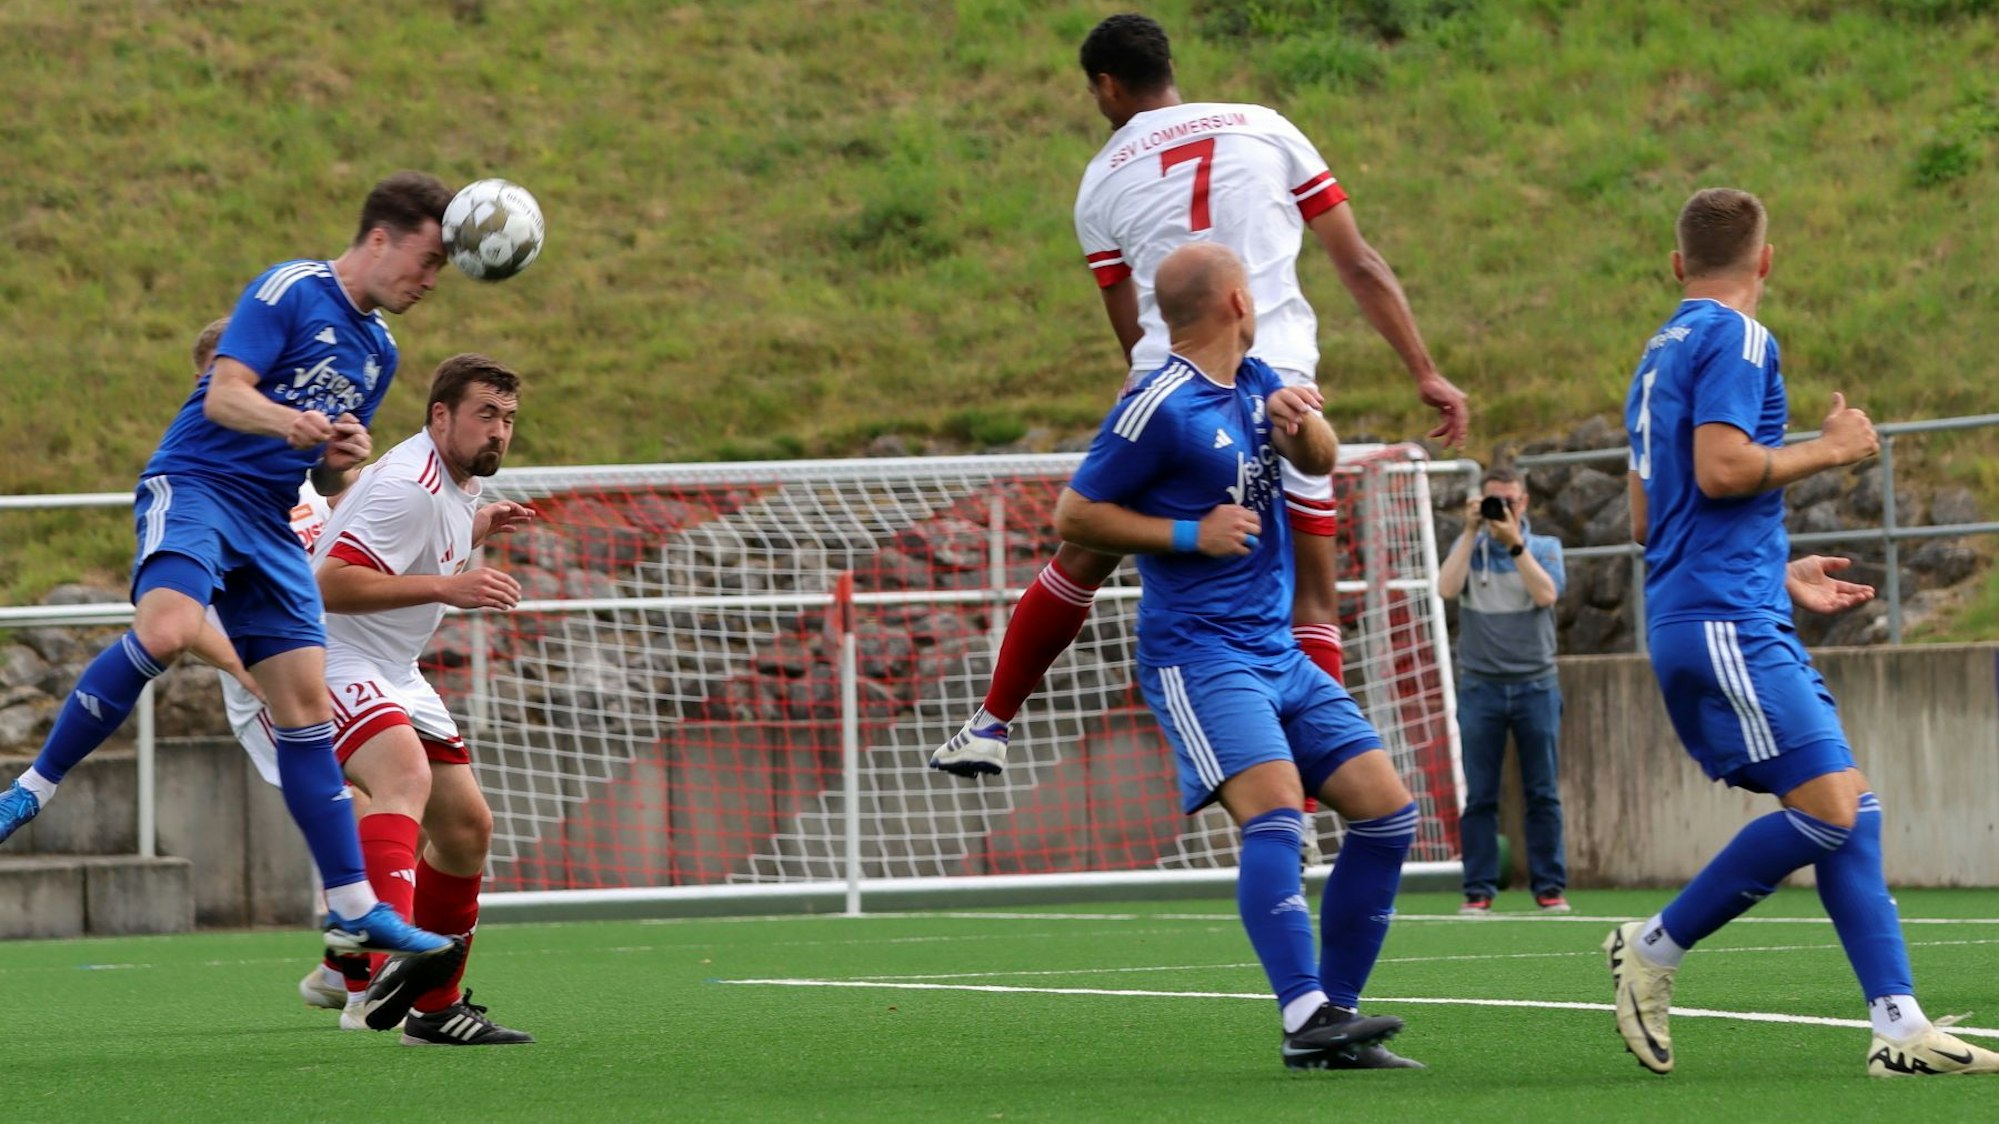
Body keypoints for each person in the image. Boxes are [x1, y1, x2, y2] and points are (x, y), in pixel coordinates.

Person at [932, 11, 1467, 779]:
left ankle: (992, 720)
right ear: (1168, 67)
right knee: (1309, 596)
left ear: (1106, 86)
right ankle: (1321, 788)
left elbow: (1128, 326)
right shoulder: (1265, 127)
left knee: (1080, 557)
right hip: (1282, 386)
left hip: (1175, 392)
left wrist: (1156, 401)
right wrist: (1423, 371)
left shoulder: (1100, 179)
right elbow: (1359, 264)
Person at [0, 172, 465, 988]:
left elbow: (319, 451)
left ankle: (352, 906)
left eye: (440, 273)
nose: (427, 283)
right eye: (425, 262)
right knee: (170, 630)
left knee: (305, 709)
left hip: (273, 519)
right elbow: (223, 396)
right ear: (382, 238)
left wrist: (336, 453)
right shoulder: (289, 288)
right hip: (199, 487)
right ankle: (32, 790)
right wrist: (292, 422)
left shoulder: (380, 350)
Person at [1607, 187, 1998, 1078]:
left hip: (1705, 608)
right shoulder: (1740, 337)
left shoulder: (1655, 353)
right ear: (1766, 262)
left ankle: (1899, 1027)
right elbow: (1721, 470)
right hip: (1723, 621)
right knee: (1826, 809)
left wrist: (1776, 570)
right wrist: (1834, 448)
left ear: (1676, 266)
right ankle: (1654, 946)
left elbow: (1645, 515)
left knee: (1849, 807)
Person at [1055, 241, 1421, 1070]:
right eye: (1251, 291)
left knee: (1387, 811)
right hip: (1199, 655)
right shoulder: (1158, 405)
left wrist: (1306, 425)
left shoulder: (1255, 383)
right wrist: (1190, 533)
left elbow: (1319, 465)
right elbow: (1074, 514)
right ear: (1232, 304)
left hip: (1275, 650)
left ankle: (1337, 1018)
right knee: (1276, 812)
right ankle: (1301, 1013)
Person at [309, 353, 537, 1044]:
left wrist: (478, 528)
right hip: (334, 652)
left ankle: (433, 1010)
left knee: (467, 830)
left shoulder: (455, 480)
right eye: (484, 415)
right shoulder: (407, 483)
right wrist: (449, 587)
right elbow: (330, 583)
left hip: (395, 666)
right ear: (440, 415)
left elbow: (417, 547)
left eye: (507, 419)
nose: (497, 432)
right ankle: (379, 956)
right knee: (400, 775)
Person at [1436, 467, 1569, 915]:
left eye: (1510, 501)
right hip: (1481, 688)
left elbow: (1547, 594)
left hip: (1536, 685)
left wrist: (1515, 543)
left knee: (1543, 792)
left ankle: (1550, 888)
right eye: (1495, 501)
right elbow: (1446, 587)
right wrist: (1471, 531)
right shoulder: (1469, 551)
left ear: (1525, 502)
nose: (1502, 510)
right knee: (1480, 795)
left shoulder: (1544, 548)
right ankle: (1478, 891)